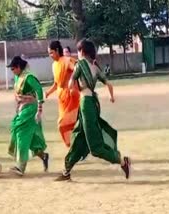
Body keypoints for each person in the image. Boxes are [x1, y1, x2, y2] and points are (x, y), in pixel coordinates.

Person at [55, 39, 131, 181]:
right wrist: (111, 98)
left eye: (78, 51)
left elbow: (71, 84)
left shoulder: (80, 65)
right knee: (79, 137)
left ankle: (122, 161)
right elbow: (109, 84)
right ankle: (66, 171)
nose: (77, 54)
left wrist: (72, 90)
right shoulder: (95, 67)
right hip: (92, 104)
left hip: (86, 105)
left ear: (82, 52)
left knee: (95, 147)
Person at [7, 56, 49, 176]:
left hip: (31, 109)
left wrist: (39, 109)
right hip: (22, 109)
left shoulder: (28, 77)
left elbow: (39, 90)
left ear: (19, 67)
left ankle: (21, 166)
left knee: (21, 133)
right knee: (30, 137)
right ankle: (43, 156)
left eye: (13, 68)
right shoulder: (18, 76)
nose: (12, 71)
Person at [46, 41, 80, 147]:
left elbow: (78, 68)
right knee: (68, 126)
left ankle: (71, 146)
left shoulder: (66, 60)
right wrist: (48, 92)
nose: (50, 55)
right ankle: (74, 147)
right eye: (49, 53)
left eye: (51, 53)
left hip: (72, 97)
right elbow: (57, 83)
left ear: (57, 50)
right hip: (62, 99)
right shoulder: (54, 65)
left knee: (62, 125)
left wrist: (73, 81)